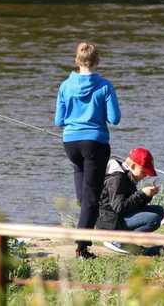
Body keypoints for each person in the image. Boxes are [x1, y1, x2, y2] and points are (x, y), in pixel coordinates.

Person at [54, 42, 121, 259]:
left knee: (85, 196)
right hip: (95, 143)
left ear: (76, 61)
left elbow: (58, 120)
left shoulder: (65, 86)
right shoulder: (104, 85)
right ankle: (81, 248)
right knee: (91, 196)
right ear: (97, 61)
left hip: (71, 143)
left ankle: (84, 229)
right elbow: (115, 119)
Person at [96, 147, 164, 255]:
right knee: (153, 219)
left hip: (118, 217)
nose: (145, 175)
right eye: (143, 172)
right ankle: (119, 241)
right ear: (132, 166)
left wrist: (147, 195)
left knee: (159, 211)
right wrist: (141, 194)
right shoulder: (117, 179)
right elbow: (119, 208)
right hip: (109, 222)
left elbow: (131, 204)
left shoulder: (128, 175)